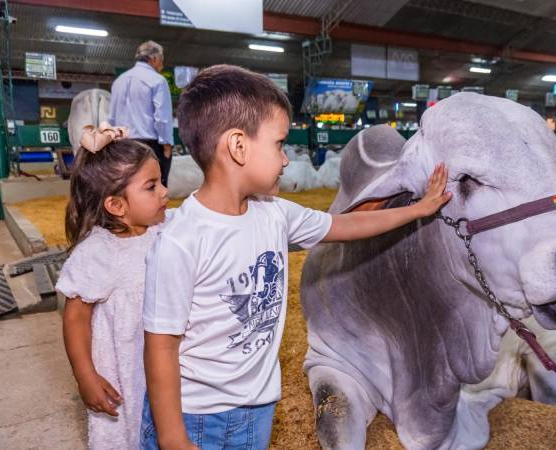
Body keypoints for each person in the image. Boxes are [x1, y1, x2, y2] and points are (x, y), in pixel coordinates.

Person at [140, 65, 451, 450]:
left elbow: (345, 226)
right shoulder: (180, 241)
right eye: (278, 144)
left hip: (257, 409)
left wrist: (417, 210)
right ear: (238, 147)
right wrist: (172, 437)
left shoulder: (274, 213)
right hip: (196, 415)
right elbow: (160, 345)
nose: (286, 159)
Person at [57, 123, 169, 449]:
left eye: (161, 181)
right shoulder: (98, 251)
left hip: (165, 360)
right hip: (126, 368)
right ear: (116, 206)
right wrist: (85, 376)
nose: (164, 191)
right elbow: (75, 318)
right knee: (130, 429)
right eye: (151, 186)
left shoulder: (167, 229)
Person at [109, 40, 174, 187]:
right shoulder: (157, 81)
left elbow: (111, 118)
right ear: (154, 59)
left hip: (123, 146)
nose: (162, 66)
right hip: (149, 146)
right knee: (155, 188)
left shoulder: (118, 81)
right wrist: (167, 146)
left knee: (127, 187)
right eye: (161, 61)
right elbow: (162, 118)